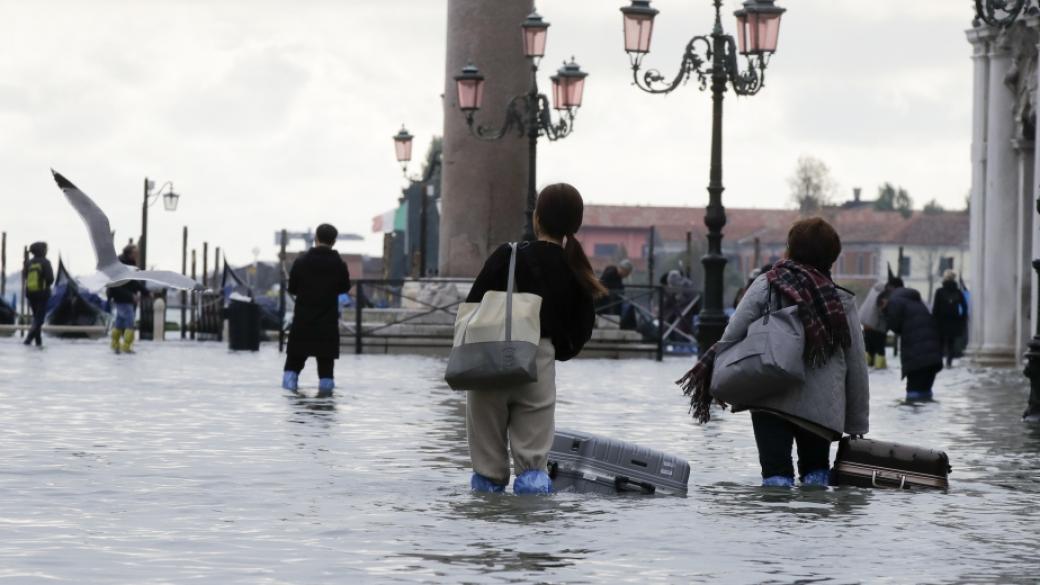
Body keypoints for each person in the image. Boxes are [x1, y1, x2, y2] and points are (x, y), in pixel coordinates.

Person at [678, 218, 869, 487]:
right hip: (822, 407)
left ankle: (776, 526)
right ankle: (814, 526)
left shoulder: (767, 284)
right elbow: (857, 365)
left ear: (790, 248)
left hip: (769, 395)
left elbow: (732, 334)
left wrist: (715, 380)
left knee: (776, 478)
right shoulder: (840, 301)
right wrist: (857, 425)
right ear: (832, 257)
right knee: (816, 479)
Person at [465, 183, 603, 495]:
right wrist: (554, 349)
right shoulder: (576, 268)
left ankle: (485, 533)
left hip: (488, 359)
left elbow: (473, 306)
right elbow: (581, 330)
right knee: (532, 468)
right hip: (538, 362)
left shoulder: (507, 255)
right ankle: (533, 535)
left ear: (536, 219)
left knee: (486, 470)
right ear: (576, 225)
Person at [282, 223, 352, 396]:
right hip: (327, 324)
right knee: (326, 371)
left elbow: (292, 288)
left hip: (302, 323)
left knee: (292, 366)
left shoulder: (301, 262)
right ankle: (325, 404)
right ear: (334, 241)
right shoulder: (339, 265)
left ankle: (290, 402)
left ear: (316, 238)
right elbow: (344, 288)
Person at [883, 277, 943, 401]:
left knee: (913, 398)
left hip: (917, 359)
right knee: (926, 395)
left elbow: (894, 326)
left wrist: (885, 311)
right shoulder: (915, 300)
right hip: (933, 356)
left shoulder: (894, 300)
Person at [107, 244, 147, 354]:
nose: (137, 256)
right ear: (129, 253)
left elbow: (132, 282)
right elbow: (117, 285)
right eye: (136, 253)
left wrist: (145, 292)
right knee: (129, 322)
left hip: (121, 298)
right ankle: (126, 346)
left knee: (119, 322)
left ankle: (115, 344)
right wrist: (132, 296)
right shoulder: (122, 265)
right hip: (122, 298)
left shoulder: (127, 263)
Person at [932, 270, 968, 368]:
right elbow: (964, 306)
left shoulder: (939, 291)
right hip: (954, 320)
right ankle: (949, 362)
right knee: (951, 343)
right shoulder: (958, 292)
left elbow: (935, 308)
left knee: (940, 342)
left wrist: (933, 321)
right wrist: (962, 318)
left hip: (941, 321)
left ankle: (939, 362)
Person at [23, 241, 54, 347]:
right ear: (43, 251)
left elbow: (25, 277)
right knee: (39, 319)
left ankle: (38, 342)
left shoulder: (28, 263)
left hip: (30, 293)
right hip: (42, 293)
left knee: (36, 317)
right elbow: (50, 279)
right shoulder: (45, 262)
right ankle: (28, 340)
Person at [859, 281, 889, 369]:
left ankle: (867, 364)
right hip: (876, 325)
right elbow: (881, 310)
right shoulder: (884, 295)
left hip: (866, 324)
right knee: (880, 347)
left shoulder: (872, 292)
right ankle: (880, 365)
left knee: (868, 347)